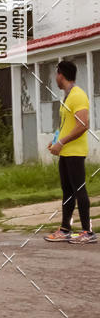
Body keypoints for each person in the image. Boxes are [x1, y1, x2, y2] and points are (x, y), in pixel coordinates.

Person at [44, 59, 96, 245]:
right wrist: (55, 140)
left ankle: (87, 232)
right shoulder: (67, 96)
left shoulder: (78, 96)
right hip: (65, 152)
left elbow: (83, 125)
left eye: (56, 74)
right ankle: (65, 229)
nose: (55, 78)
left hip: (75, 152)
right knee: (67, 191)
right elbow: (65, 124)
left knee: (79, 190)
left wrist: (62, 142)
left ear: (61, 75)